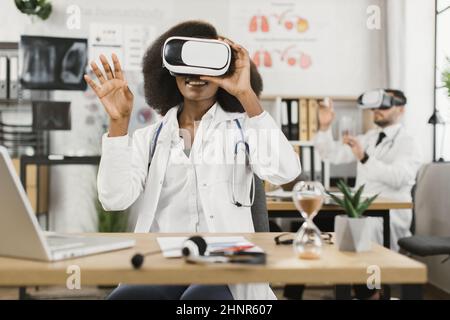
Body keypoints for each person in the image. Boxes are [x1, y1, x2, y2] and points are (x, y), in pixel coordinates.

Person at [85, 20, 301, 300]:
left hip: (228, 262)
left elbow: (286, 171)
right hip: (162, 260)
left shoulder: (245, 129)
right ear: (169, 70)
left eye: (206, 62)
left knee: (198, 302)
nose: (195, 73)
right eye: (185, 62)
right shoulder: (149, 139)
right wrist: (118, 122)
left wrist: (246, 94)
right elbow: (113, 199)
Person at [313, 90, 422, 299]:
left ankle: (371, 294)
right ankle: (295, 295)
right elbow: (330, 153)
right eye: (374, 106)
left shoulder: (409, 142)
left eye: (384, 105)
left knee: (361, 233)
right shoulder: (369, 137)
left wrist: (364, 158)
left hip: (389, 216)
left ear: (401, 109)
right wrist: (325, 126)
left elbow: (400, 177)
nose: (377, 111)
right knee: (317, 226)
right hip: (361, 211)